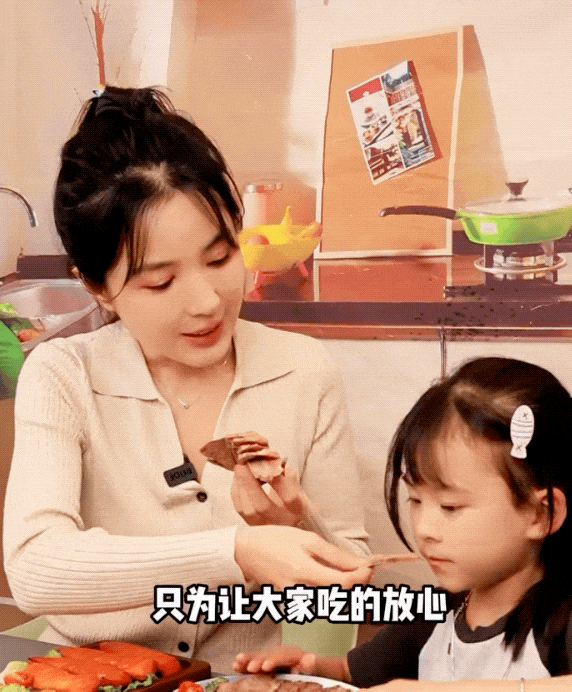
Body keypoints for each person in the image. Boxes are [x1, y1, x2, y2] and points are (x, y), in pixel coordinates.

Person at [2, 86, 372, 672]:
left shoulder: (304, 370)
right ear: (97, 287)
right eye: (160, 282)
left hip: (241, 681)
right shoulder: (64, 375)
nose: (207, 302)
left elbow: (351, 588)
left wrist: (296, 524)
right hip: (90, 678)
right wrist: (236, 551)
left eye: (220, 258)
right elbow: (35, 567)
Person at [234, 357, 572, 688]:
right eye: (416, 500)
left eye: (450, 506)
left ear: (540, 514)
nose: (423, 528)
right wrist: (311, 667)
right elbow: (351, 672)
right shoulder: (434, 613)